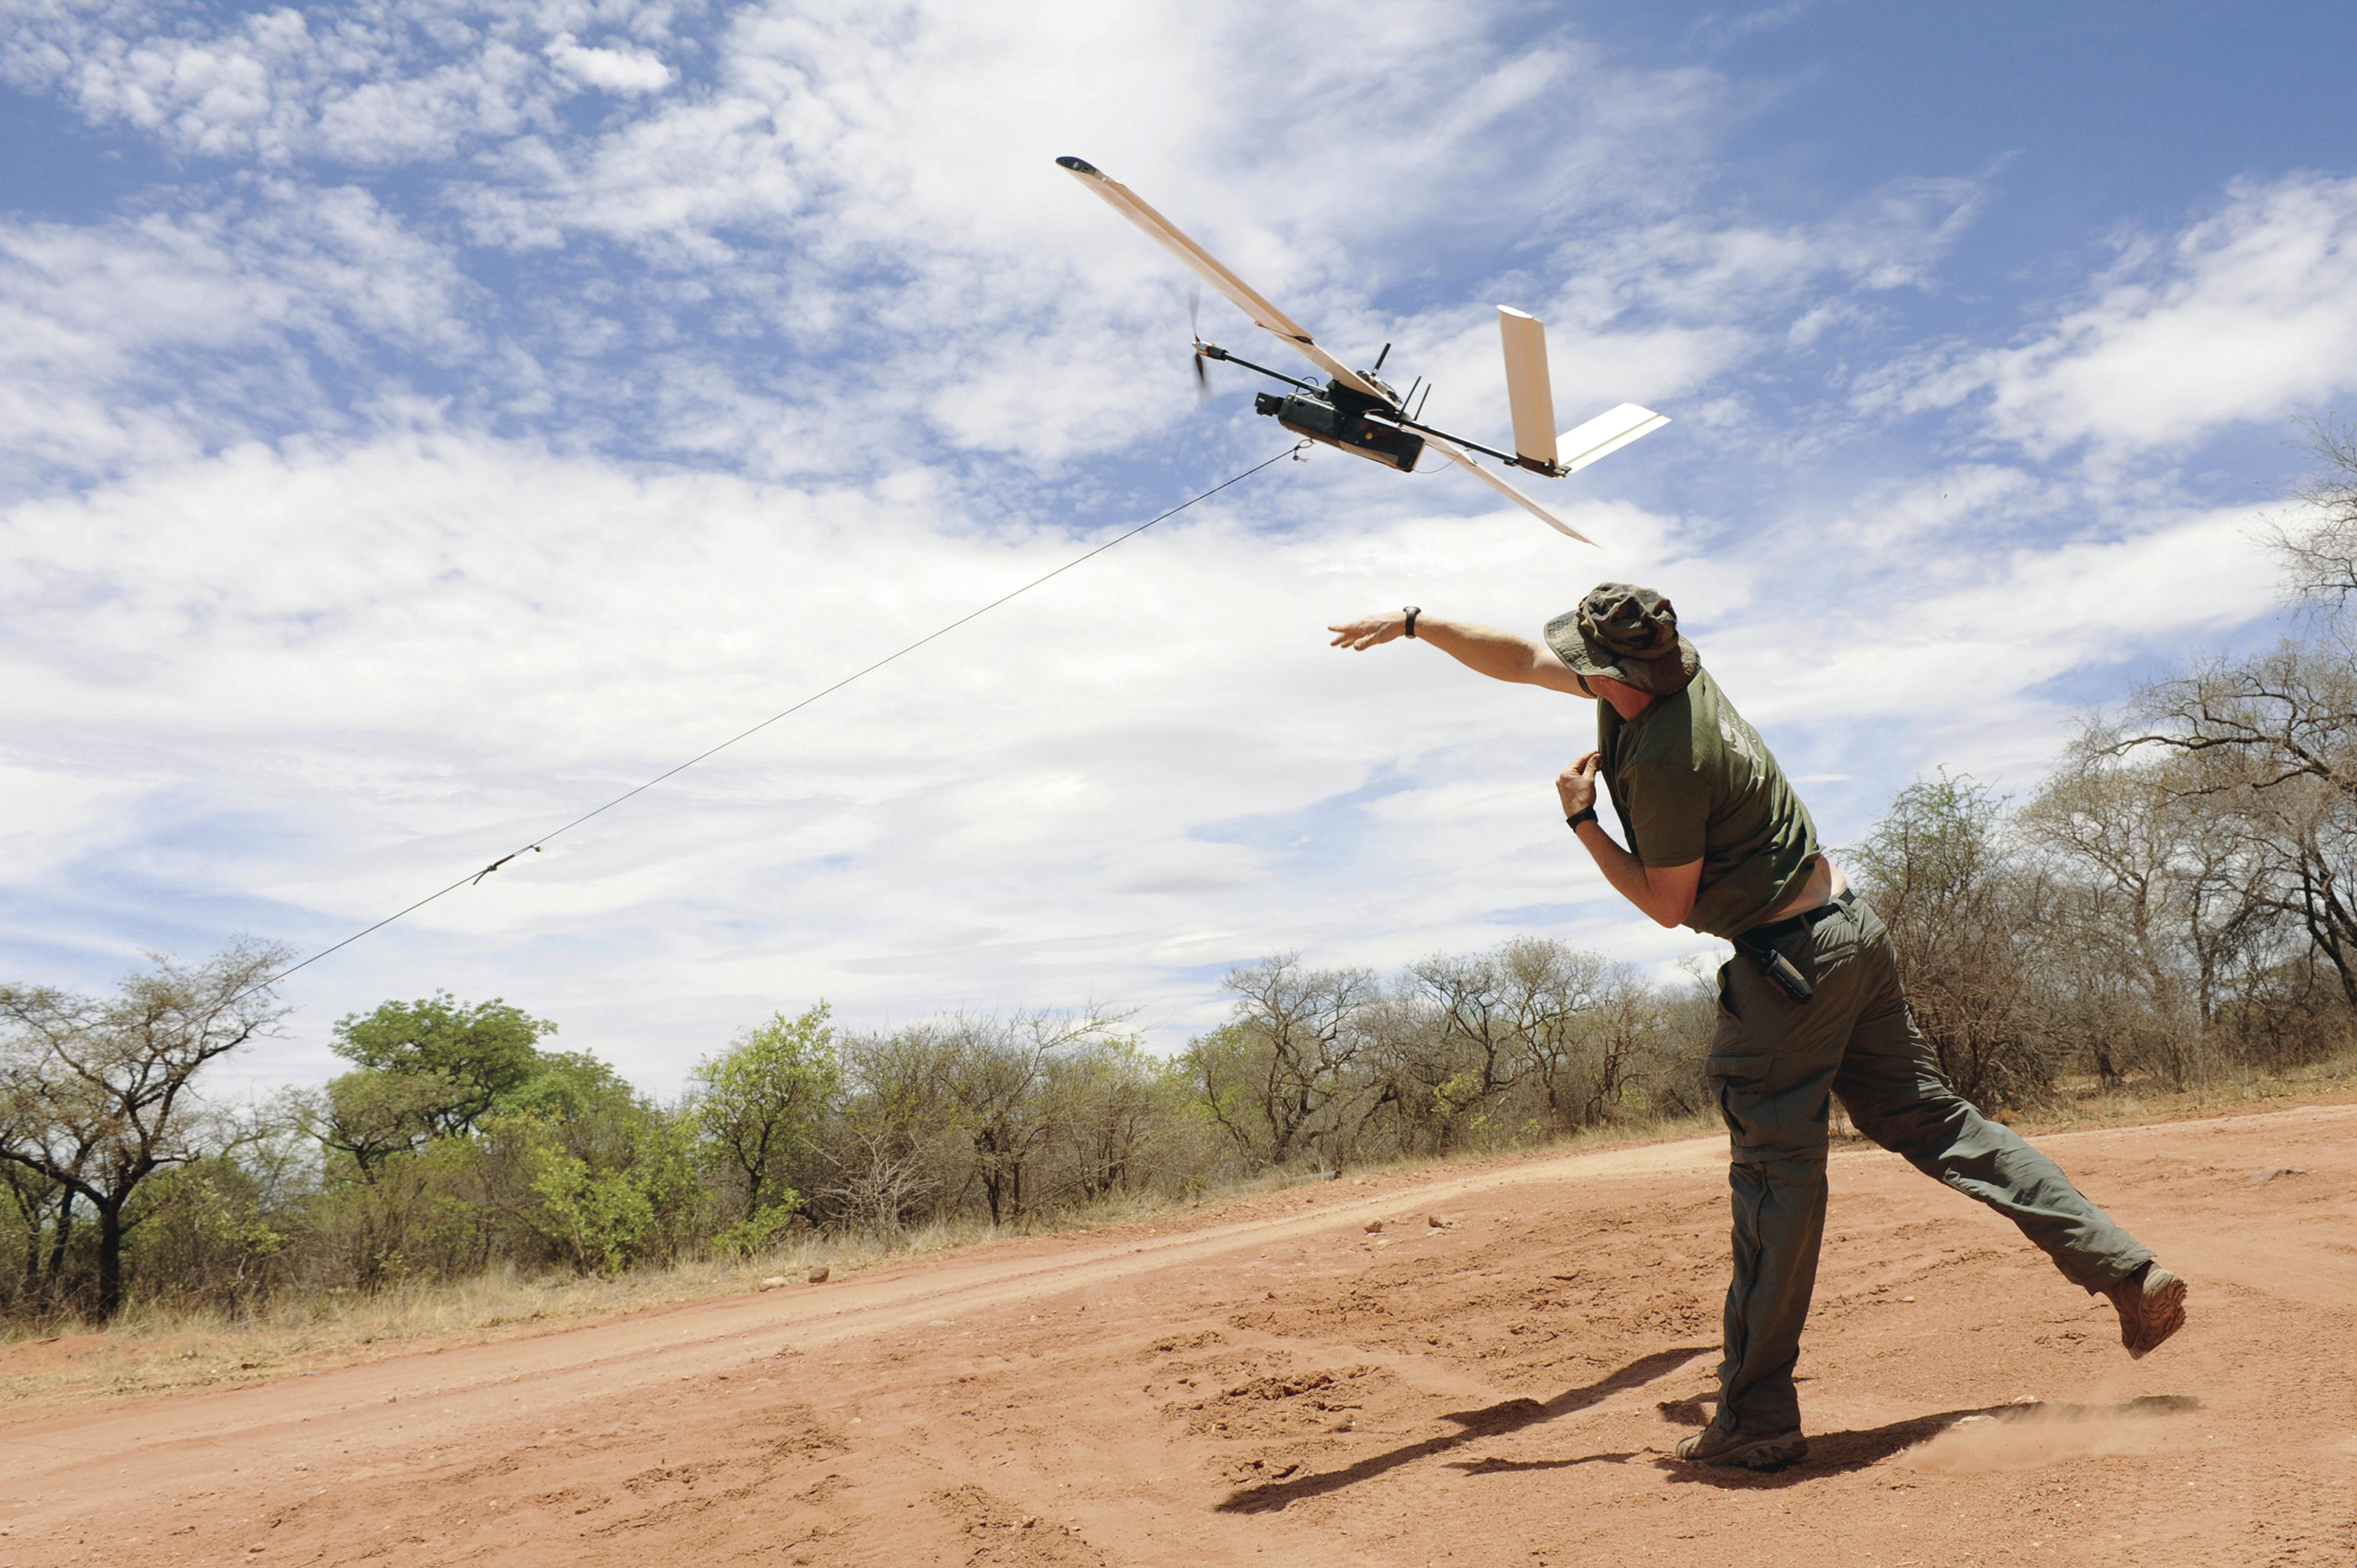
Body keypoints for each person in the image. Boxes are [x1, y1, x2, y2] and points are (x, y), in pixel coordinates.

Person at [1328, 584, 2187, 1469]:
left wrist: (1582, 823)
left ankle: (1755, 1419)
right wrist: (1416, 625)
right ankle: (2124, 1270)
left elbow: (1667, 904)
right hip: (1849, 928)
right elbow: (1515, 659)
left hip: (1786, 968)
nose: (1565, 670)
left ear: (1606, 670)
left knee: (1777, 1186)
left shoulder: (1666, 758)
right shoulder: (1669, 683)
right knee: (1934, 1121)